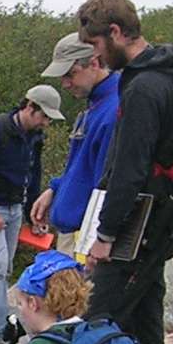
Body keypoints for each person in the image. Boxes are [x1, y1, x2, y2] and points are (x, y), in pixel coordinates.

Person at [76, 0, 173, 344]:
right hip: (164, 213)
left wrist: (106, 234)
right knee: (144, 318)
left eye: (95, 43)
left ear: (115, 31)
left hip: (140, 221)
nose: (94, 54)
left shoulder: (143, 87)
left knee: (95, 322)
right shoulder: (168, 71)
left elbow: (130, 170)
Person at [0, 84, 61, 344]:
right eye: (44, 117)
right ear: (30, 107)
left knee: (5, 268)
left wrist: (34, 214)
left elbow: (33, 175)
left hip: (16, 207)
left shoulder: (34, 137)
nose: (46, 123)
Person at [28, 33, 121, 247]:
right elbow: (81, 164)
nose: (65, 84)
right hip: (74, 231)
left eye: (70, 74)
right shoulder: (94, 107)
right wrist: (56, 189)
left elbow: (107, 185)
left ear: (94, 63)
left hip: (87, 236)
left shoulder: (113, 110)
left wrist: (97, 241)